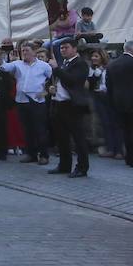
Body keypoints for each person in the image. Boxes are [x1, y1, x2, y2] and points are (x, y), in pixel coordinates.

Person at [2, 42, 53, 164]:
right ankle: (31, 153)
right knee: (27, 129)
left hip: (37, 100)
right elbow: (4, 67)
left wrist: (45, 92)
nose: (24, 53)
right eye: (22, 51)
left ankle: (44, 155)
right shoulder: (17, 64)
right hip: (21, 100)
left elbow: (52, 81)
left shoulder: (44, 66)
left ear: (34, 52)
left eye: (26, 50)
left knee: (39, 129)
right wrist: (1, 58)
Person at [48, 39, 92, 177]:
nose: (63, 50)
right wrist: (50, 88)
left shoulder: (81, 64)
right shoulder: (64, 63)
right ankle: (64, 165)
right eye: (61, 48)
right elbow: (58, 81)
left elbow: (73, 80)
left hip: (72, 106)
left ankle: (82, 167)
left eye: (66, 47)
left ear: (74, 49)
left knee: (78, 138)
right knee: (62, 138)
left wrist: (56, 69)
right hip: (58, 103)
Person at [86, 49, 121, 158]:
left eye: (96, 56)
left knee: (115, 123)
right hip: (98, 97)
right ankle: (110, 149)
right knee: (105, 123)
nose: (93, 58)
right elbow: (90, 84)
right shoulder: (92, 70)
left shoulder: (110, 67)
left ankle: (119, 150)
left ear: (102, 57)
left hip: (110, 97)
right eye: (92, 56)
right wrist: (96, 73)